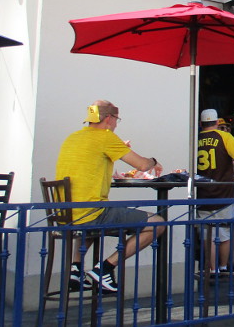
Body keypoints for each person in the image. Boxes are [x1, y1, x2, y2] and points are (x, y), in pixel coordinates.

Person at [55, 100, 164, 293]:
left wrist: (119, 148)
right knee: (158, 224)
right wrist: (154, 160)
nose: (116, 125)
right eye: (116, 120)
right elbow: (142, 165)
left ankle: (76, 270)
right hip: (90, 214)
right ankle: (104, 268)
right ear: (108, 118)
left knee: (90, 211)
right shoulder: (106, 137)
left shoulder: (73, 137)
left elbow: (92, 159)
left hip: (65, 215)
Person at [196, 108, 234, 274]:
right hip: (223, 193)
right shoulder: (224, 136)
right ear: (217, 122)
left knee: (208, 235)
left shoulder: (195, 138)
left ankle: (212, 269)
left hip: (202, 194)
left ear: (201, 123)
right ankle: (223, 267)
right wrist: (233, 160)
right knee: (224, 232)